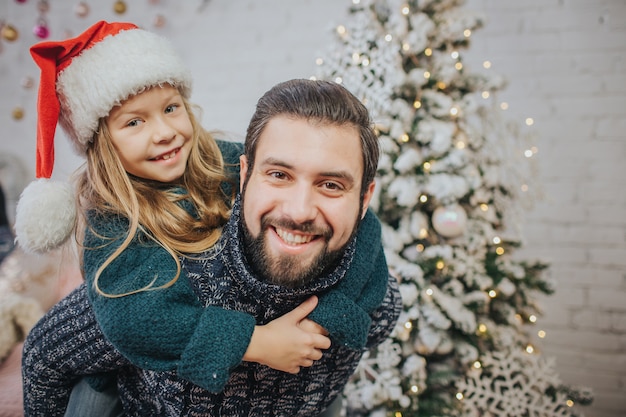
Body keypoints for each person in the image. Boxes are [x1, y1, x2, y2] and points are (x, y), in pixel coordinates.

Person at [17, 21, 399, 416]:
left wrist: (334, 315)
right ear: (102, 141)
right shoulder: (113, 221)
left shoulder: (226, 161)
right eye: (134, 122)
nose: (164, 132)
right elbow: (135, 321)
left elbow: (364, 229)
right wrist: (257, 342)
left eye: (170, 109)